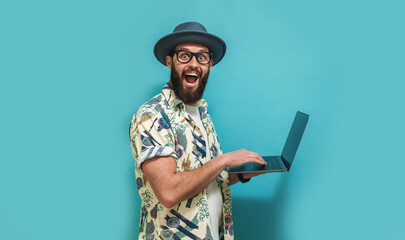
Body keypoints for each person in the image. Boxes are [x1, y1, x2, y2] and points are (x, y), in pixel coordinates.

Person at [129, 22, 266, 240]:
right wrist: (223, 160)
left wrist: (240, 174)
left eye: (201, 57)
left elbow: (199, 179)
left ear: (209, 64)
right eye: (185, 56)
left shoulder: (202, 114)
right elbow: (168, 191)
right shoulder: (152, 115)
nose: (194, 64)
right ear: (169, 61)